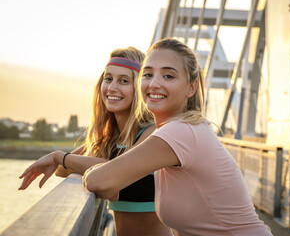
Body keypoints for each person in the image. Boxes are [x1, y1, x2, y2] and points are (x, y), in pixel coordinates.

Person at [82, 38, 273, 235]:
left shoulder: (180, 132)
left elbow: (99, 181)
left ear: (192, 87)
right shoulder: (184, 129)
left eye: (168, 76)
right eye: (148, 74)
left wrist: (98, 173)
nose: (154, 83)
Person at [18, 47, 171, 236]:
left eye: (123, 80)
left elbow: (113, 170)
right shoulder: (110, 138)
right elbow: (62, 170)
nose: (112, 87)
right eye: (108, 79)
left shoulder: (153, 133)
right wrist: (61, 160)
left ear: (140, 88)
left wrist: (59, 156)